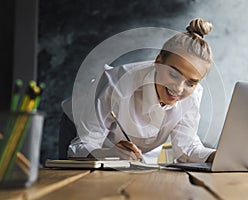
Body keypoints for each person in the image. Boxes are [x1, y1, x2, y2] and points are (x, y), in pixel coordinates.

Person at [59, 18, 216, 163]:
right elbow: (80, 147)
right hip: (80, 129)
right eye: (173, 74)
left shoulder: (192, 95)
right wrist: (109, 153)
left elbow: (186, 148)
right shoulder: (115, 84)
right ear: (158, 60)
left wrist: (217, 156)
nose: (179, 88)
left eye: (191, 83)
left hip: (128, 147)